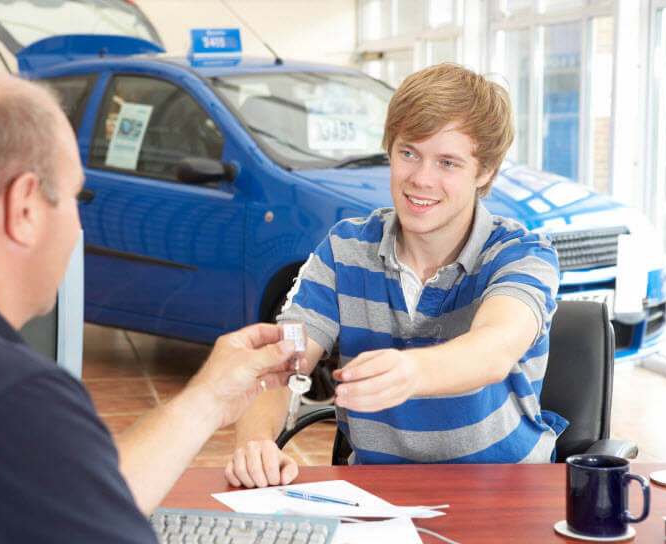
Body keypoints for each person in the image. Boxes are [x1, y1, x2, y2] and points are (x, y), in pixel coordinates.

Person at [0, 70, 300, 542]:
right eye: (74, 197)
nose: (79, 227)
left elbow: (66, 496)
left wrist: (209, 398)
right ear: (25, 208)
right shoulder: (3, 400)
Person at [226, 63, 566, 489]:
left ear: (485, 173)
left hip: (506, 494)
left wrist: (414, 373)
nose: (421, 179)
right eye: (409, 153)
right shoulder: (343, 250)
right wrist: (255, 441)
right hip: (379, 498)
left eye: (447, 162)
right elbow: (282, 363)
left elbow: (494, 348)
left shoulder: (521, 253)